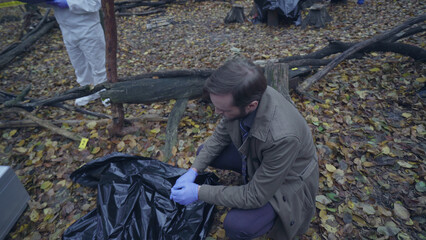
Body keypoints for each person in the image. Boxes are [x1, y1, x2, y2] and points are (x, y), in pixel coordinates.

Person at [170, 58, 319, 240]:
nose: (217, 113)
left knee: (238, 225)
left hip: (288, 181)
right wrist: (193, 171)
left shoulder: (283, 137)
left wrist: (198, 192)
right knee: (204, 152)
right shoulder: (244, 96)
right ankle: (249, 174)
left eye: (223, 110)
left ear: (251, 106)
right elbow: (219, 137)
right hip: (262, 157)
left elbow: (256, 196)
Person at [46, 0, 108, 106]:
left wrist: (68, 3)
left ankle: (105, 92)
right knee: (80, 66)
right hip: (67, 29)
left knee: (98, 63)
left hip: (88, 28)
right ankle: (87, 91)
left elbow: (95, 3)